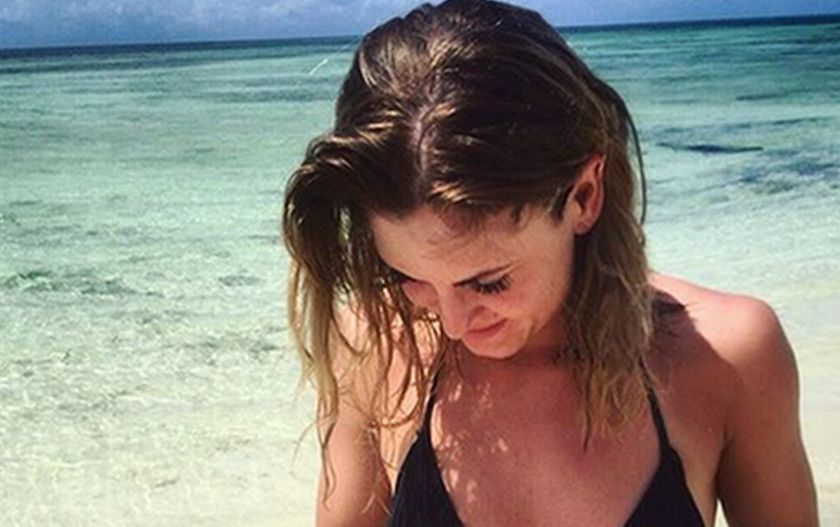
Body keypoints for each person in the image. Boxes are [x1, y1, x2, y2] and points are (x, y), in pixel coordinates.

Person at [281, 0, 819, 525]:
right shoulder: (375, 347)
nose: (452, 324)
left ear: (584, 195)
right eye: (407, 276)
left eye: (488, 283)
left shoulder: (727, 358)